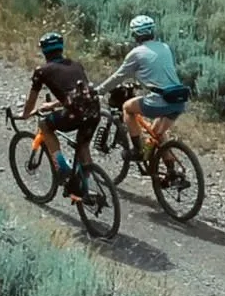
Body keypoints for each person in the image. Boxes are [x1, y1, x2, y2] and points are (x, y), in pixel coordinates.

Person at [19, 31, 100, 199]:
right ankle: (84, 185)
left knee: (44, 125)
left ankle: (62, 168)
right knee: (83, 145)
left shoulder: (41, 71)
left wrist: (25, 114)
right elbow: (79, 94)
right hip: (94, 110)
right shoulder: (76, 64)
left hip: (74, 113)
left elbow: (32, 98)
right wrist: (54, 104)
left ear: (44, 52)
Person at [96, 14, 190, 156]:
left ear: (135, 34)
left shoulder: (136, 53)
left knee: (127, 108)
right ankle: (170, 171)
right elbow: (158, 70)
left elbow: (119, 76)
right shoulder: (165, 47)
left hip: (159, 101)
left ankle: (137, 150)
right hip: (178, 101)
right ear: (152, 31)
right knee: (157, 135)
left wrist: (100, 90)